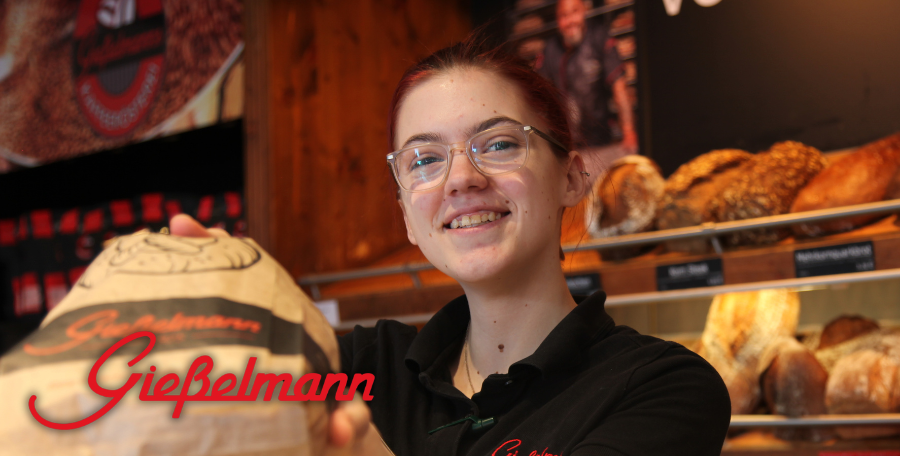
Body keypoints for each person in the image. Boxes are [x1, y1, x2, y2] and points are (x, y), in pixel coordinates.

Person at [171, 35, 729, 456]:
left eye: (499, 143)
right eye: (424, 159)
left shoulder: (664, 387)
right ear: (408, 217)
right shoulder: (361, 366)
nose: (461, 178)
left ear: (572, 177)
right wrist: (211, 315)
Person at [536, 0, 638, 153]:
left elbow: (619, 87)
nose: (570, 21)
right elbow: (540, 98)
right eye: (564, 15)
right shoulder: (550, 50)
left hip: (601, 139)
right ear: (557, 20)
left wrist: (629, 131)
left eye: (575, 12)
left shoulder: (599, 36)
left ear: (584, 11)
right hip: (567, 145)